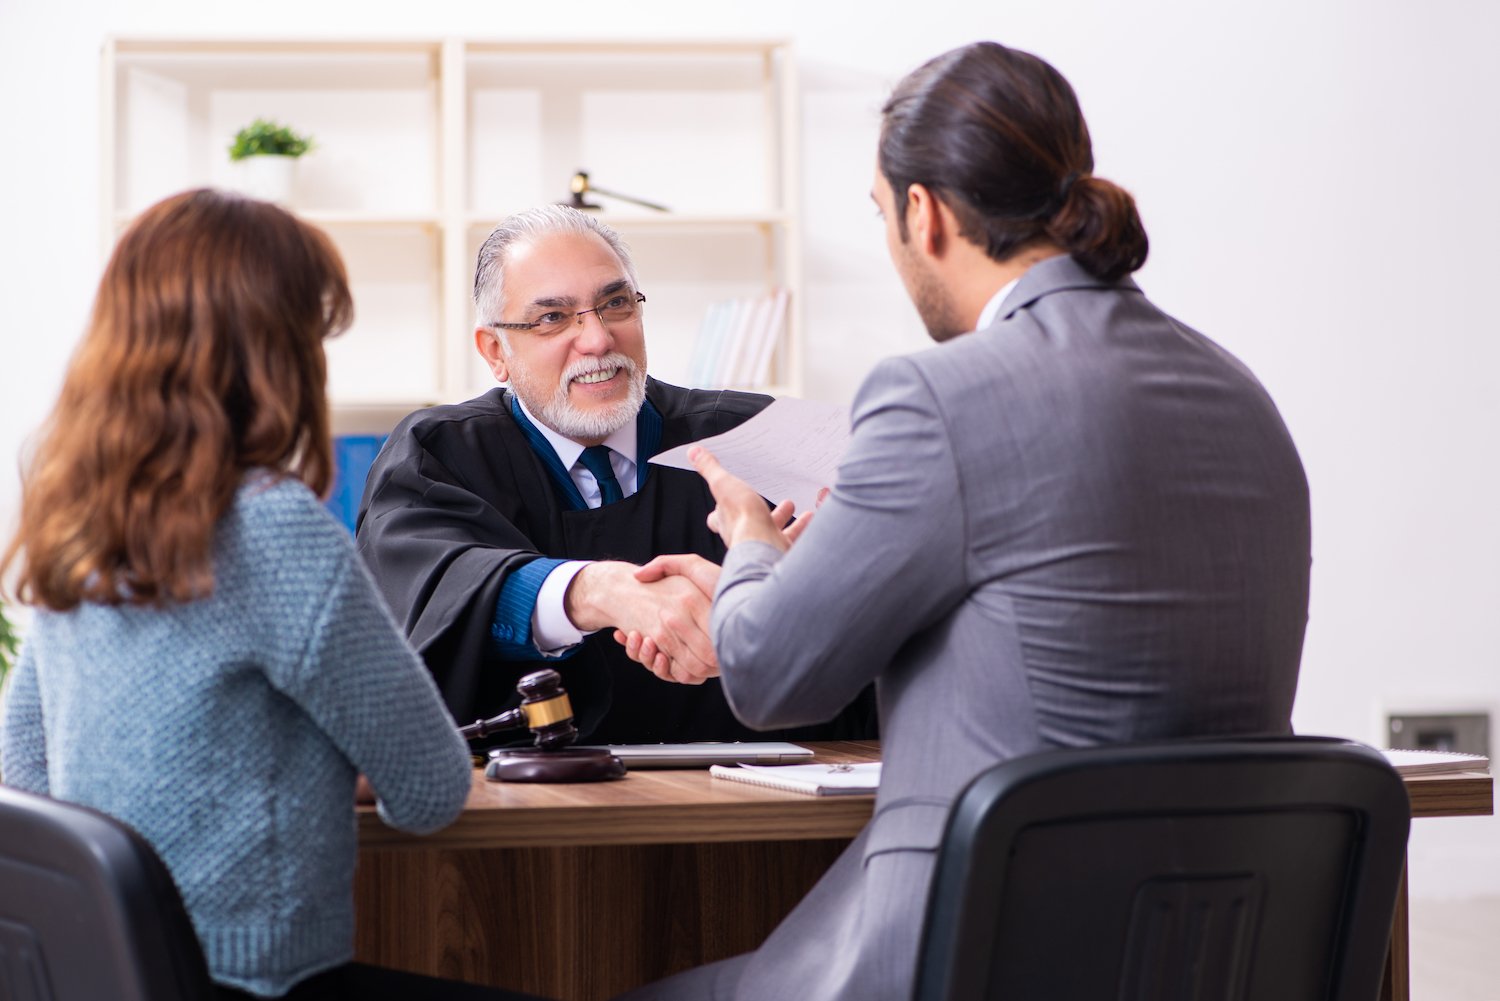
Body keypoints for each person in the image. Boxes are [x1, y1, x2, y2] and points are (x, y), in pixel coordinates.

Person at [614, 41, 1312, 1001]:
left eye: (880, 216)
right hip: (1204, 952)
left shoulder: (938, 395)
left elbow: (772, 674)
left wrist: (754, 546)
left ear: (922, 211)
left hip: (973, 948)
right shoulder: (1241, 393)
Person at [0, 189, 541, 1001]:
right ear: (273, 348)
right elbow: (429, 788)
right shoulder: (274, 528)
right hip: (259, 983)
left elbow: (23, 765)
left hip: (109, 973)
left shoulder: (74, 512)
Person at [354, 205, 875, 744]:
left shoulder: (753, 437)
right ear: (495, 351)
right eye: (552, 318)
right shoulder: (438, 454)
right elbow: (442, 594)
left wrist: (802, 604)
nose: (598, 340)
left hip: (766, 808)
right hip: (530, 817)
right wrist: (602, 591)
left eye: (615, 304)